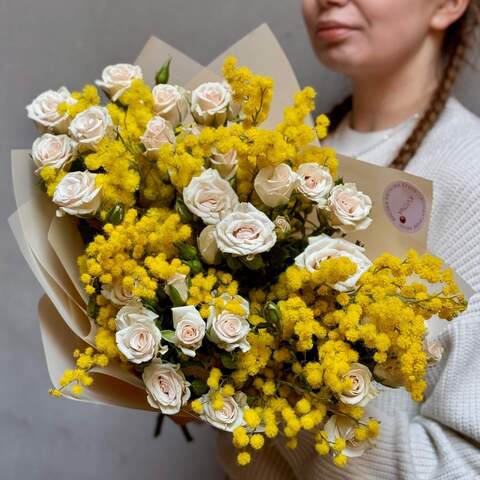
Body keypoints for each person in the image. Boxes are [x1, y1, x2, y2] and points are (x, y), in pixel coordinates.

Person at [219, 0, 480, 478]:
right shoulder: (274, 166)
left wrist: (272, 390)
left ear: (448, 5)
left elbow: (463, 466)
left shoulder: (471, 177)